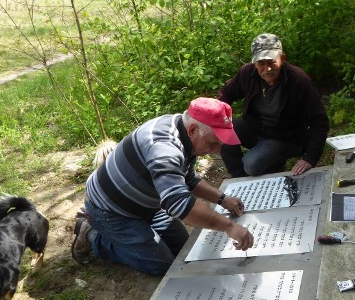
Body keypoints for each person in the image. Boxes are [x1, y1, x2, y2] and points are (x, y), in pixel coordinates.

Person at [71, 97, 255, 276]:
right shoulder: (164, 147)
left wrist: (222, 199)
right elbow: (179, 203)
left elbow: (188, 180)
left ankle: (130, 232)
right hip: (111, 211)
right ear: (192, 129)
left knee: (184, 249)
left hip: (150, 205)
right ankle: (91, 234)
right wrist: (229, 226)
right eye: (213, 143)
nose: (216, 150)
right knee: (162, 265)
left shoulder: (185, 133)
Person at [217, 33, 329, 178]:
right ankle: (239, 177)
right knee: (223, 126)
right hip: (255, 129)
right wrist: (217, 114)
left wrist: (310, 157)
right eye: (261, 63)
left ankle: (272, 162)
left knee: (251, 165)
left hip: (284, 138)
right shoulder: (247, 73)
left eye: (271, 62)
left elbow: (319, 121)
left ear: (282, 59)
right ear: (254, 63)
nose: (267, 69)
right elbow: (226, 92)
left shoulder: (299, 81)